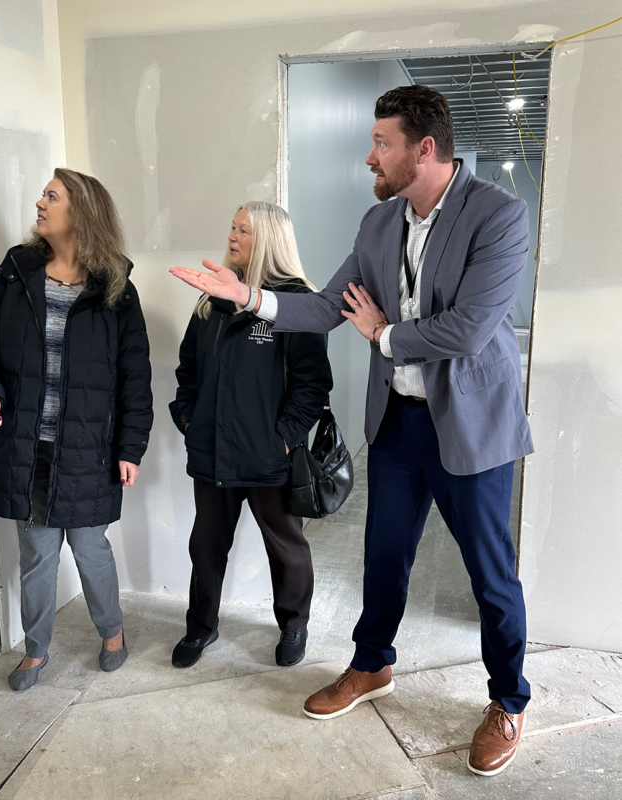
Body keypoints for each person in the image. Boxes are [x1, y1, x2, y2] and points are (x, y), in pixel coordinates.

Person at [170, 86, 533, 777]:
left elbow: (471, 329)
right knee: (383, 560)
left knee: (490, 576)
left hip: (473, 432)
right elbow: (322, 306)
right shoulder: (378, 226)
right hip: (397, 427)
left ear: (423, 150)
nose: (370, 156)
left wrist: (385, 335)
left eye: (382, 144)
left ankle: (509, 699)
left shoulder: (499, 217)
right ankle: (372, 665)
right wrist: (247, 296)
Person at [0, 168, 153, 691]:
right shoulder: (16, 272)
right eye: (44, 194)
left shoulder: (116, 289)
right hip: (25, 447)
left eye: (53, 196)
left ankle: (111, 633)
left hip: (88, 451)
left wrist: (129, 449)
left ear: (82, 212)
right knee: (37, 556)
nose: (40, 203)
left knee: (91, 550)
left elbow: (135, 378)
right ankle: (36, 650)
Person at [168, 201, 333, 669]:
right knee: (205, 545)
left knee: (286, 548)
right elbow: (188, 370)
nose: (233, 236)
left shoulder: (296, 301)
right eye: (233, 227)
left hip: (268, 458)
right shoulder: (212, 299)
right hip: (213, 454)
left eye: (244, 230)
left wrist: (280, 438)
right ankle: (201, 628)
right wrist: (189, 420)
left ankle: (294, 625)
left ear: (269, 240)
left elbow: (312, 385)